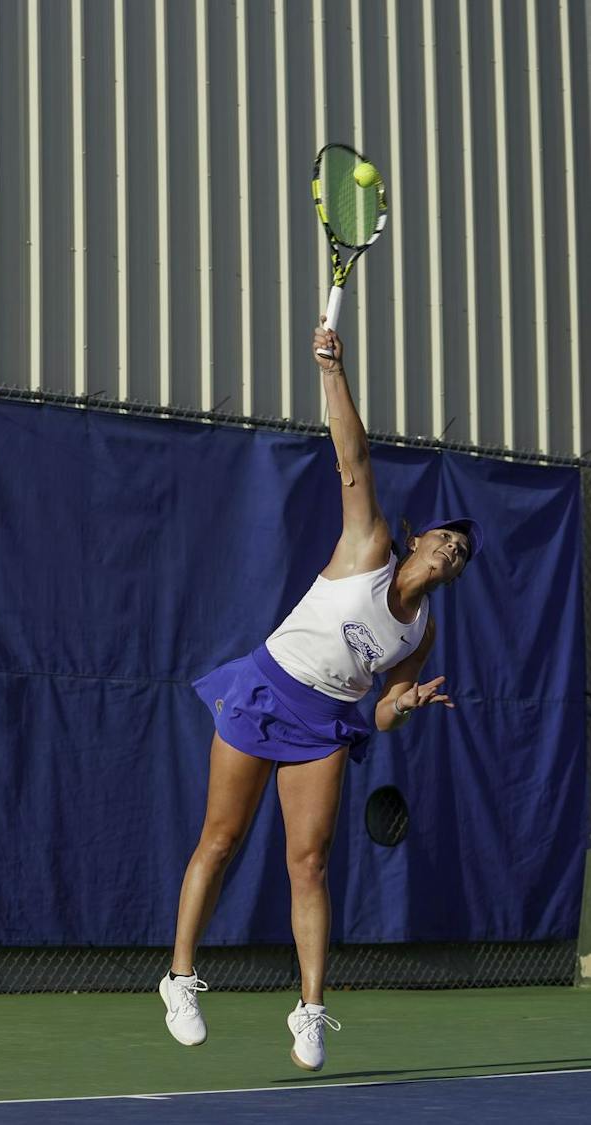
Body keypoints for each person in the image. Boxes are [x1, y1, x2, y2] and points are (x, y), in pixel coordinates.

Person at [158, 322, 482, 1072]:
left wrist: (403, 706)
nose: (452, 549)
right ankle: (178, 977)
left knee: (310, 861)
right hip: (267, 688)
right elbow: (352, 455)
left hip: (327, 722)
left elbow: (378, 711)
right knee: (221, 839)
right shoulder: (367, 543)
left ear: (455, 575)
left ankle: (309, 1008)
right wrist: (332, 370)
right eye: (446, 538)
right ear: (418, 538)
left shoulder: (419, 636)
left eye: (462, 554)